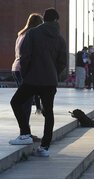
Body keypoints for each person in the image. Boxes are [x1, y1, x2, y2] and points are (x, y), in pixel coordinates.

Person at [9, 8, 67, 157]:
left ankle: (25, 133)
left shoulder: (33, 33)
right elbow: (62, 62)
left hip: (32, 79)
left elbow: (24, 56)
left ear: (45, 19)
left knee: (16, 102)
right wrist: (53, 73)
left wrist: (26, 74)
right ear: (56, 20)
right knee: (48, 112)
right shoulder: (60, 39)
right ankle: (44, 147)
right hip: (50, 82)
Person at [11, 13, 43, 138]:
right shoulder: (31, 35)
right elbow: (28, 55)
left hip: (16, 68)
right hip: (24, 70)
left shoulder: (21, 34)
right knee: (26, 103)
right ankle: (25, 133)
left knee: (24, 101)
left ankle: (25, 131)